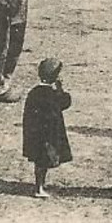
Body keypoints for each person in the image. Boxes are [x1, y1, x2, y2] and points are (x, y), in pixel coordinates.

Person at [22, 58, 73, 198]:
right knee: (43, 163)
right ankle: (39, 188)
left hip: (36, 134)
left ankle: (40, 186)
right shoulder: (51, 94)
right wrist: (61, 90)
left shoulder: (34, 92)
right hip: (47, 136)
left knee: (40, 162)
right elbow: (65, 103)